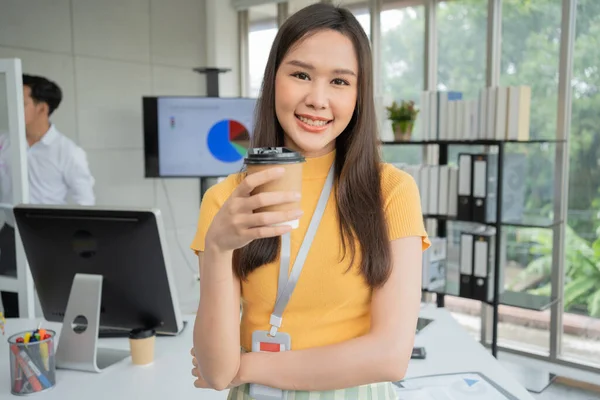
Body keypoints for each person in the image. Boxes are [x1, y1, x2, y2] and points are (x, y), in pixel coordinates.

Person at [189, 3, 430, 399]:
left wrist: (246, 365)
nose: (318, 99)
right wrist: (216, 248)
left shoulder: (391, 191)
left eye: (339, 82)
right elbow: (216, 373)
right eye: (301, 74)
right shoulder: (225, 199)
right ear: (274, 80)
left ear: (358, 94)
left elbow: (390, 357)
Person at [0, 74, 95, 317]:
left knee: (54, 310)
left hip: (52, 238)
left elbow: (86, 203)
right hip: (11, 235)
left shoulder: (68, 152)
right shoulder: (4, 142)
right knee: (14, 307)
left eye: (21, 102)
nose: (12, 107)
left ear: (42, 108)